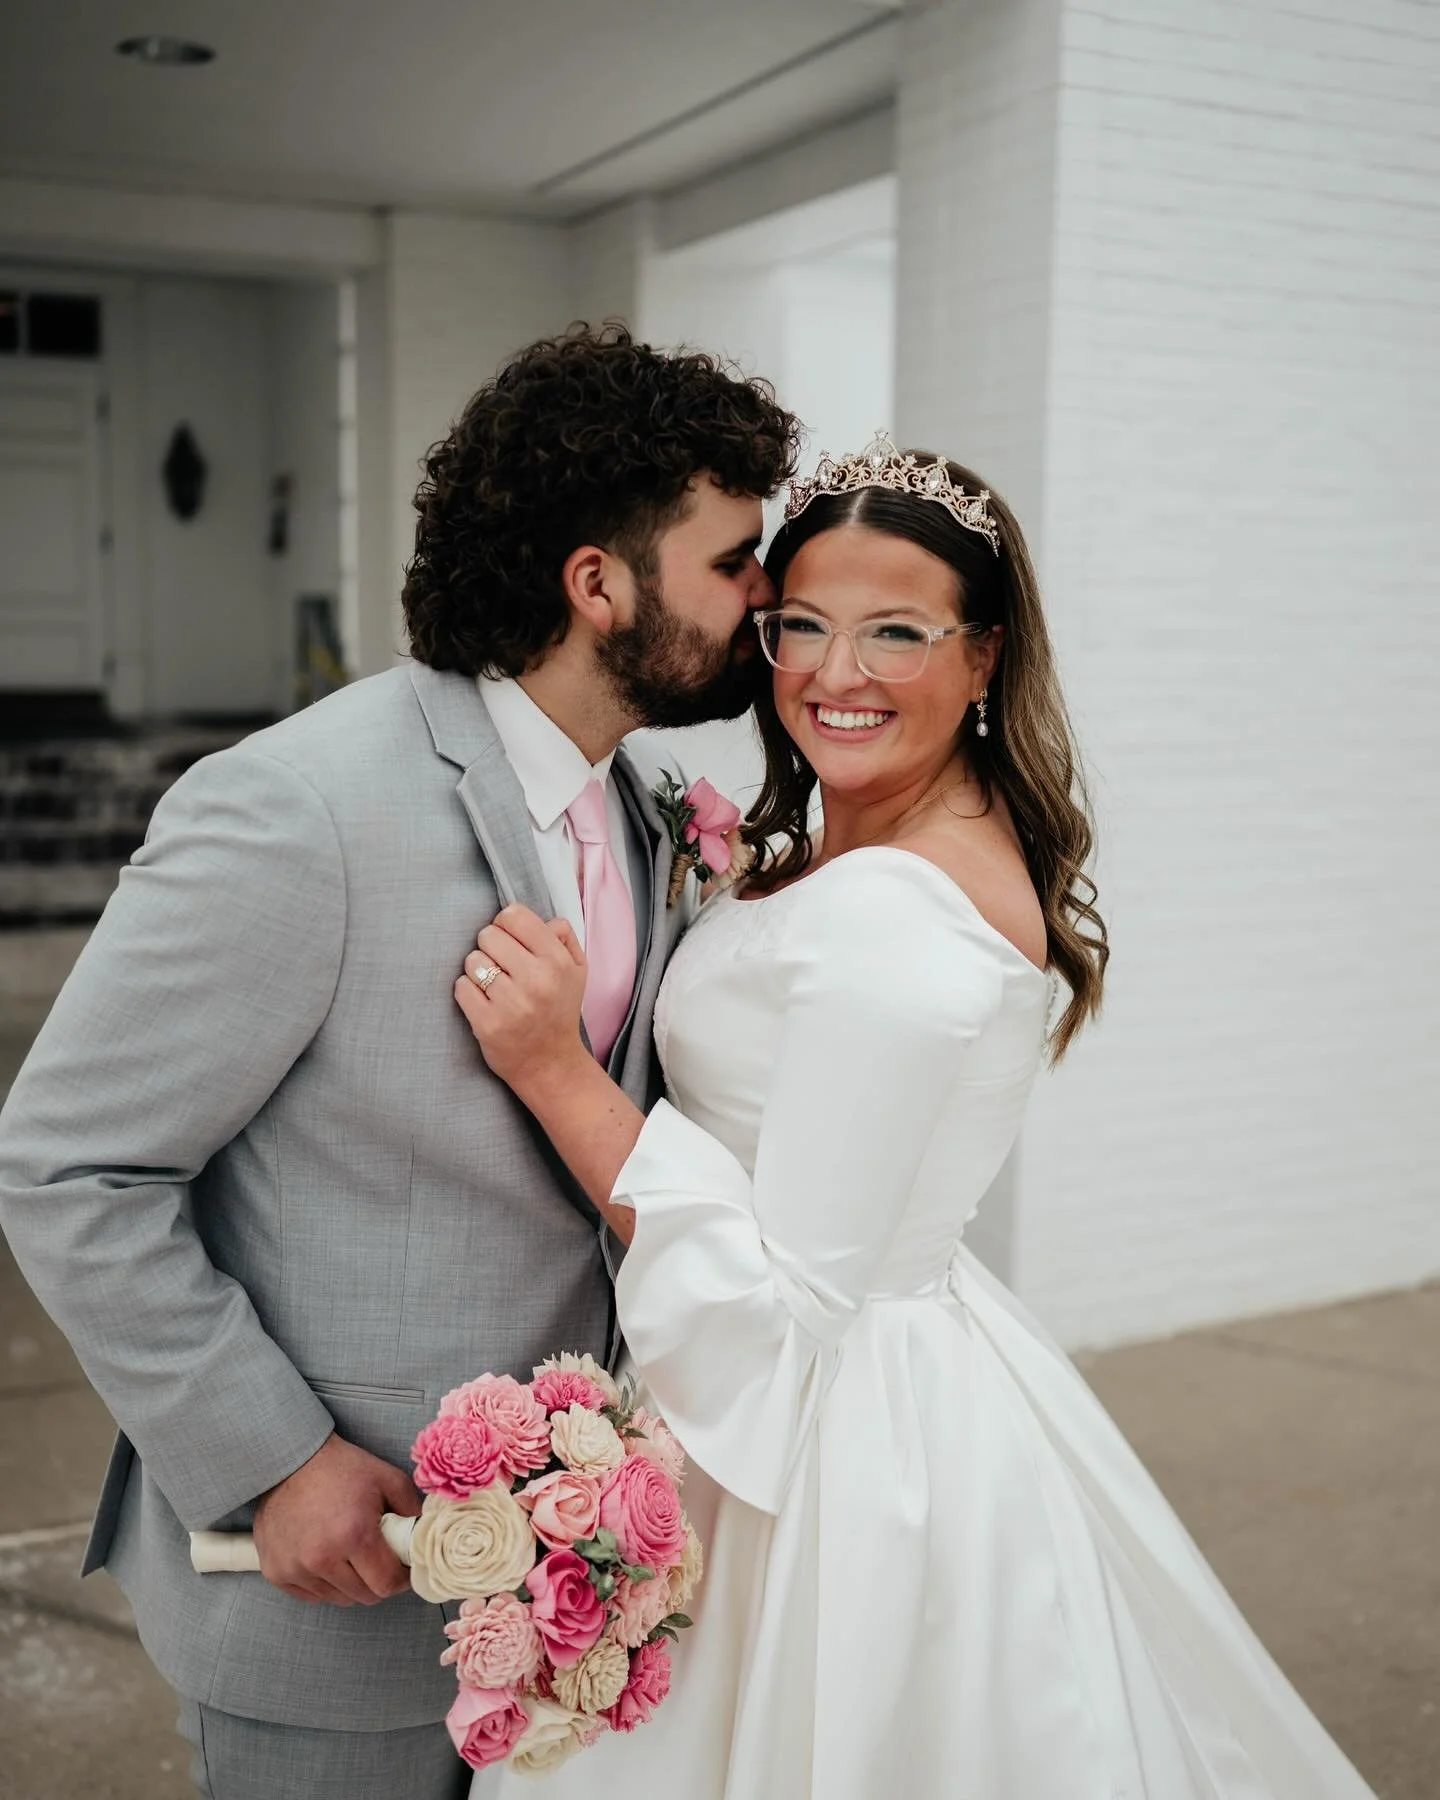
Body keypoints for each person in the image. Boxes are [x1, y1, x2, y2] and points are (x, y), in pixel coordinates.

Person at [457, 433, 1379, 1798]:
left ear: (986, 652)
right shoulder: (865, 837)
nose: (836, 674)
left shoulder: (901, 908)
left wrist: (551, 1069)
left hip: (828, 1439)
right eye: (803, 626)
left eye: (897, 631)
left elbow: (784, 1304)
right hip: (872, 1363)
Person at [0, 324, 800, 1800]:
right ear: (597, 581)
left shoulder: (661, 805)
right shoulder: (299, 808)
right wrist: (270, 1458)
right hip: (331, 1580)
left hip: (576, 1589)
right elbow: (68, 1166)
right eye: (736, 560)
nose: (772, 596)